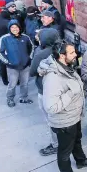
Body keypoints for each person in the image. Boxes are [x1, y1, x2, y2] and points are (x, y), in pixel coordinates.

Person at [38, 41, 87, 172]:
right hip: (64, 122)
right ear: (62, 56)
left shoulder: (66, 67)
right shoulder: (53, 78)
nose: (76, 54)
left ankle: (81, 160)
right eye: (72, 53)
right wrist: (70, 92)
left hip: (74, 116)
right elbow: (51, 107)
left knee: (77, 140)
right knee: (64, 150)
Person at [30, 28, 60, 156]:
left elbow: (32, 72)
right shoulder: (62, 49)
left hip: (46, 91)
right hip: (61, 90)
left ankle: (56, 145)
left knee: (51, 120)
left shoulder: (40, 55)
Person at [0, 19, 34, 107]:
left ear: (19, 28)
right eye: (12, 27)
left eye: (16, 27)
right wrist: (7, 62)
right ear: (9, 28)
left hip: (25, 66)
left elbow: (32, 47)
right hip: (12, 67)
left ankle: (24, 98)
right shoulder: (4, 38)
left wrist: (29, 58)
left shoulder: (25, 37)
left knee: (24, 84)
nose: (14, 29)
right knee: (12, 85)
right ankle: (10, 99)